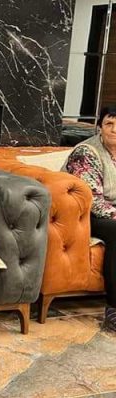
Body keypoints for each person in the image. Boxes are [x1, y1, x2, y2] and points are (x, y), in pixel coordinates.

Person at [64, 104, 116, 332]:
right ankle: (113, 310)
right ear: (99, 127)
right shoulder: (86, 153)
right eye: (109, 123)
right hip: (83, 216)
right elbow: (93, 202)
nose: (114, 129)